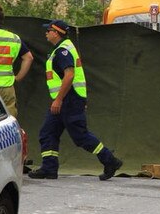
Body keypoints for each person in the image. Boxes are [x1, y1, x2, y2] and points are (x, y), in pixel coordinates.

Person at [29, 20, 123, 180]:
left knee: (80, 136)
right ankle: (49, 168)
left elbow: (70, 75)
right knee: (48, 132)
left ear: (56, 33)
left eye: (48, 30)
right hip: (65, 100)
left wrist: (59, 99)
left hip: (68, 100)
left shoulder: (62, 51)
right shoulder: (61, 49)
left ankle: (110, 161)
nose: (46, 33)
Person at [0, 5, 33, 117]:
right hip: (7, 88)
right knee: (8, 120)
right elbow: (28, 58)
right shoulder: (14, 38)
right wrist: (18, 78)